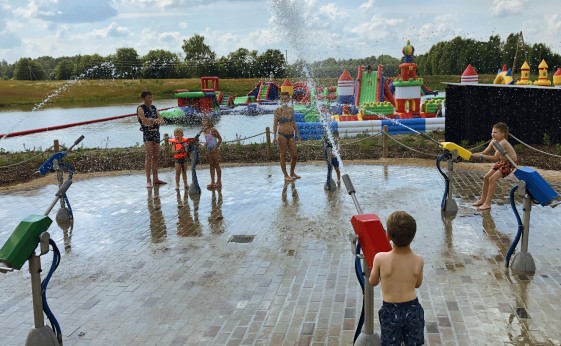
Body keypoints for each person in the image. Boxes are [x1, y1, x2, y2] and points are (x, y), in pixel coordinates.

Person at [369, 211, 425, 345]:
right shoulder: (419, 259)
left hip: (390, 311)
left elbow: (373, 281)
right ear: (413, 236)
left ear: (387, 236)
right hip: (413, 309)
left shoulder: (380, 258)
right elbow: (417, 284)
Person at [471, 122, 518, 211]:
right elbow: (484, 153)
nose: (493, 134)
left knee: (492, 179)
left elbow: (494, 158)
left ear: (503, 134)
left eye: (495, 132)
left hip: (510, 163)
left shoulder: (503, 142)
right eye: (492, 132)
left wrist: (480, 156)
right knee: (486, 177)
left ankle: (487, 203)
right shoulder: (493, 141)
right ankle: (482, 200)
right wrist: (472, 154)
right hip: (502, 161)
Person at [137, 90, 166, 188]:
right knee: (148, 157)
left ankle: (156, 178)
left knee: (156, 157)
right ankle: (148, 180)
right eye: (148, 97)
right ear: (144, 98)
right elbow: (144, 121)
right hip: (147, 134)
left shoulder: (154, 108)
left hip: (156, 134)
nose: (150, 99)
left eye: (151, 97)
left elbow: (161, 120)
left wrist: (154, 121)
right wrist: (153, 120)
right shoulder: (141, 108)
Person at [273, 91, 301, 182]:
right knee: (283, 155)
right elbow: (275, 124)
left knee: (294, 155)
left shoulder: (291, 109)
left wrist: (298, 133)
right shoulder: (277, 110)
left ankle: (292, 173)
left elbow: (293, 122)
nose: (284, 100)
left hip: (291, 134)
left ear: (289, 99)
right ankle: (286, 175)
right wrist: (274, 136)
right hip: (282, 135)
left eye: (286, 99)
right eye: (282, 99)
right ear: (280, 100)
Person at [202, 116, 222, 189]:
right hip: (208, 150)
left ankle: (219, 182)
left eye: (205, 120)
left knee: (216, 164)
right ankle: (212, 182)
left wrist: (215, 148)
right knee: (211, 165)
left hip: (215, 150)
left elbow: (220, 139)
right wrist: (206, 144)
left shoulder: (213, 130)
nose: (203, 122)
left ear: (209, 122)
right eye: (202, 120)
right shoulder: (204, 130)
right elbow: (208, 140)